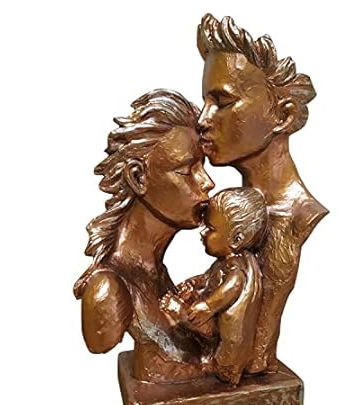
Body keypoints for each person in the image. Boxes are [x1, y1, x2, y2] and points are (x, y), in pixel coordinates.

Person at [197, 14, 329, 373]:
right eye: (205, 101)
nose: (203, 119)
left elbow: (255, 353)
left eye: (223, 102)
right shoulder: (237, 207)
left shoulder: (289, 219)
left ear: (282, 116)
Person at [73, 89, 215, 382]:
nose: (208, 182)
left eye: (202, 166)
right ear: (138, 177)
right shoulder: (110, 291)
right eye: (187, 170)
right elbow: (100, 339)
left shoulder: (156, 274)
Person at [160, 187, 267, 384]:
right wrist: (194, 283)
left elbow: (233, 285)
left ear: (236, 239)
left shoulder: (237, 267)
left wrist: (209, 306)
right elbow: (210, 277)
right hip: (222, 337)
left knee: (197, 317)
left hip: (226, 345)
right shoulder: (228, 263)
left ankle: (181, 313)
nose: (203, 233)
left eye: (210, 228)